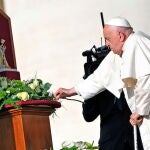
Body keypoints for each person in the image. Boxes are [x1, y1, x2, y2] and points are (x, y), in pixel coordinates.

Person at [54, 17, 150, 149]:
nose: (107, 44)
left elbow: (146, 79)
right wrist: (71, 91)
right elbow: (100, 77)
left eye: (108, 39)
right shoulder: (122, 51)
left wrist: (140, 110)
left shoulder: (137, 43)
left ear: (120, 36)